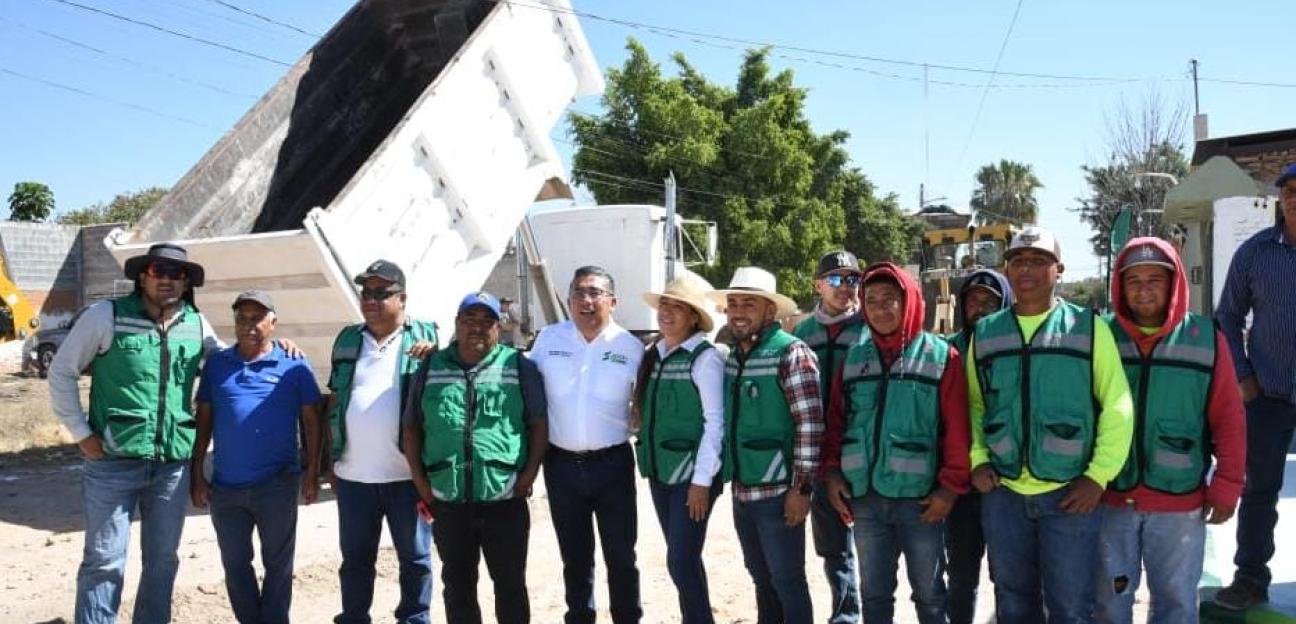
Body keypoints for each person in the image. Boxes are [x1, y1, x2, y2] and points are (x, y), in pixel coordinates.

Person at [966, 226, 1134, 623]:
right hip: (1004, 494)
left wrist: (1098, 476)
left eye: (1039, 261)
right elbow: (974, 404)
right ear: (1007, 270)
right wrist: (978, 458)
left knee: (1071, 606)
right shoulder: (987, 333)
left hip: (1069, 495)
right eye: (1018, 261)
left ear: (1059, 269)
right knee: (1012, 601)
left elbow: (1117, 404)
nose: (1027, 269)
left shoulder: (1089, 329)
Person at [48, 243, 221, 624]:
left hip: (172, 468)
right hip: (112, 463)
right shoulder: (105, 316)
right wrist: (81, 432)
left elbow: (229, 366)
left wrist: (277, 348)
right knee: (105, 561)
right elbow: (61, 372)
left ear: (186, 282)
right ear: (143, 276)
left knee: (162, 562)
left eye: (178, 274)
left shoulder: (196, 324)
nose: (168, 279)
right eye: (160, 270)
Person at [1094, 238, 1246, 624]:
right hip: (1110, 500)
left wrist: (1227, 485)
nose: (1144, 289)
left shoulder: (1206, 339)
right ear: (1120, 287)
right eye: (1134, 281)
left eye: (1155, 279)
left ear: (1174, 282)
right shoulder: (1100, 337)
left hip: (1179, 503)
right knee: (1109, 603)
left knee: (1176, 603)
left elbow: (1229, 420)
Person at [823, 262, 971, 624]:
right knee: (874, 597)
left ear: (910, 302)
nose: (879, 308)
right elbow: (837, 423)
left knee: (931, 597)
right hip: (866, 500)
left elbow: (957, 430)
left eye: (890, 299)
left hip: (921, 503)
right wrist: (832, 474)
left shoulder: (941, 357)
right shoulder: (855, 358)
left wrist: (949, 490)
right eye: (870, 300)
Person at [402, 291, 548, 624]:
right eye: (469, 320)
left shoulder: (517, 365)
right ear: (457, 324)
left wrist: (527, 478)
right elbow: (411, 428)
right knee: (457, 587)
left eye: (487, 322)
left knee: (510, 586)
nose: (477, 328)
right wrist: (421, 483)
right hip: (449, 500)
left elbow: (538, 424)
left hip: (504, 499)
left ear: (499, 328)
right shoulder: (432, 366)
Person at [190, 290, 323, 624]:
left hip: (276, 484)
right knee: (235, 564)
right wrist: (196, 474)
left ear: (274, 323)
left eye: (257, 318)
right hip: (226, 487)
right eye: (241, 318)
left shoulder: (294, 363)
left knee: (278, 564)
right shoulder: (218, 365)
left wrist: (311, 474)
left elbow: (312, 420)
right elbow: (204, 421)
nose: (248, 325)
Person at [529, 266, 644, 623]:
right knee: (575, 557)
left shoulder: (632, 348)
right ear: (568, 300)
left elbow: (645, 405)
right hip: (561, 465)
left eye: (595, 293)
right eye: (579, 293)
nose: (587, 300)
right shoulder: (548, 340)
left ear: (613, 301)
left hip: (613, 465)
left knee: (621, 556)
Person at [327, 259, 438, 624]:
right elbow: (334, 398)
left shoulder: (426, 338)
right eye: (366, 293)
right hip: (354, 477)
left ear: (402, 298)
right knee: (356, 560)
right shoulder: (347, 339)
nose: (370, 300)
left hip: (407, 478)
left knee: (416, 559)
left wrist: (436, 353)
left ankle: (414, 618)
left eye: (380, 293)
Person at [710, 266, 822, 624]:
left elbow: (810, 425)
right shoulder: (733, 357)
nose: (739, 312)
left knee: (788, 581)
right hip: (744, 492)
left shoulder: (792, 353)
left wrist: (801, 490)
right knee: (761, 579)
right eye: (733, 304)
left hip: (779, 494)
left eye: (749, 304)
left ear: (770, 312)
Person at [1212, 162, 1296, 611]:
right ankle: (1249, 579)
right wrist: (1242, 376)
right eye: (1290, 191)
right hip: (1268, 395)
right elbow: (1226, 315)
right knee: (1259, 492)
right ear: (1280, 199)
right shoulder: (1255, 253)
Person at [633, 274, 726, 623]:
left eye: (678, 307)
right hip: (661, 474)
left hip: (691, 477)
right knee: (684, 560)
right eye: (664, 305)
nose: (667, 312)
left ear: (693, 317)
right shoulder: (654, 355)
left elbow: (714, 423)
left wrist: (702, 481)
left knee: (680, 561)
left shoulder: (705, 359)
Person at [791, 251, 864, 623]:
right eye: (835, 279)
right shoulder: (801, 335)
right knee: (834, 548)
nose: (845, 287)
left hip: (862, 450)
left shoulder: (870, 327)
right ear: (818, 285)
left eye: (852, 278)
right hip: (818, 455)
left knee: (870, 545)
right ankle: (845, 615)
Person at [942, 269, 1013, 624]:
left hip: (1007, 483)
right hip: (960, 487)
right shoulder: (946, 351)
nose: (981, 309)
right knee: (961, 576)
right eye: (973, 301)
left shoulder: (1016, 347)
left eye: (990, 302)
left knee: (1008, 576)